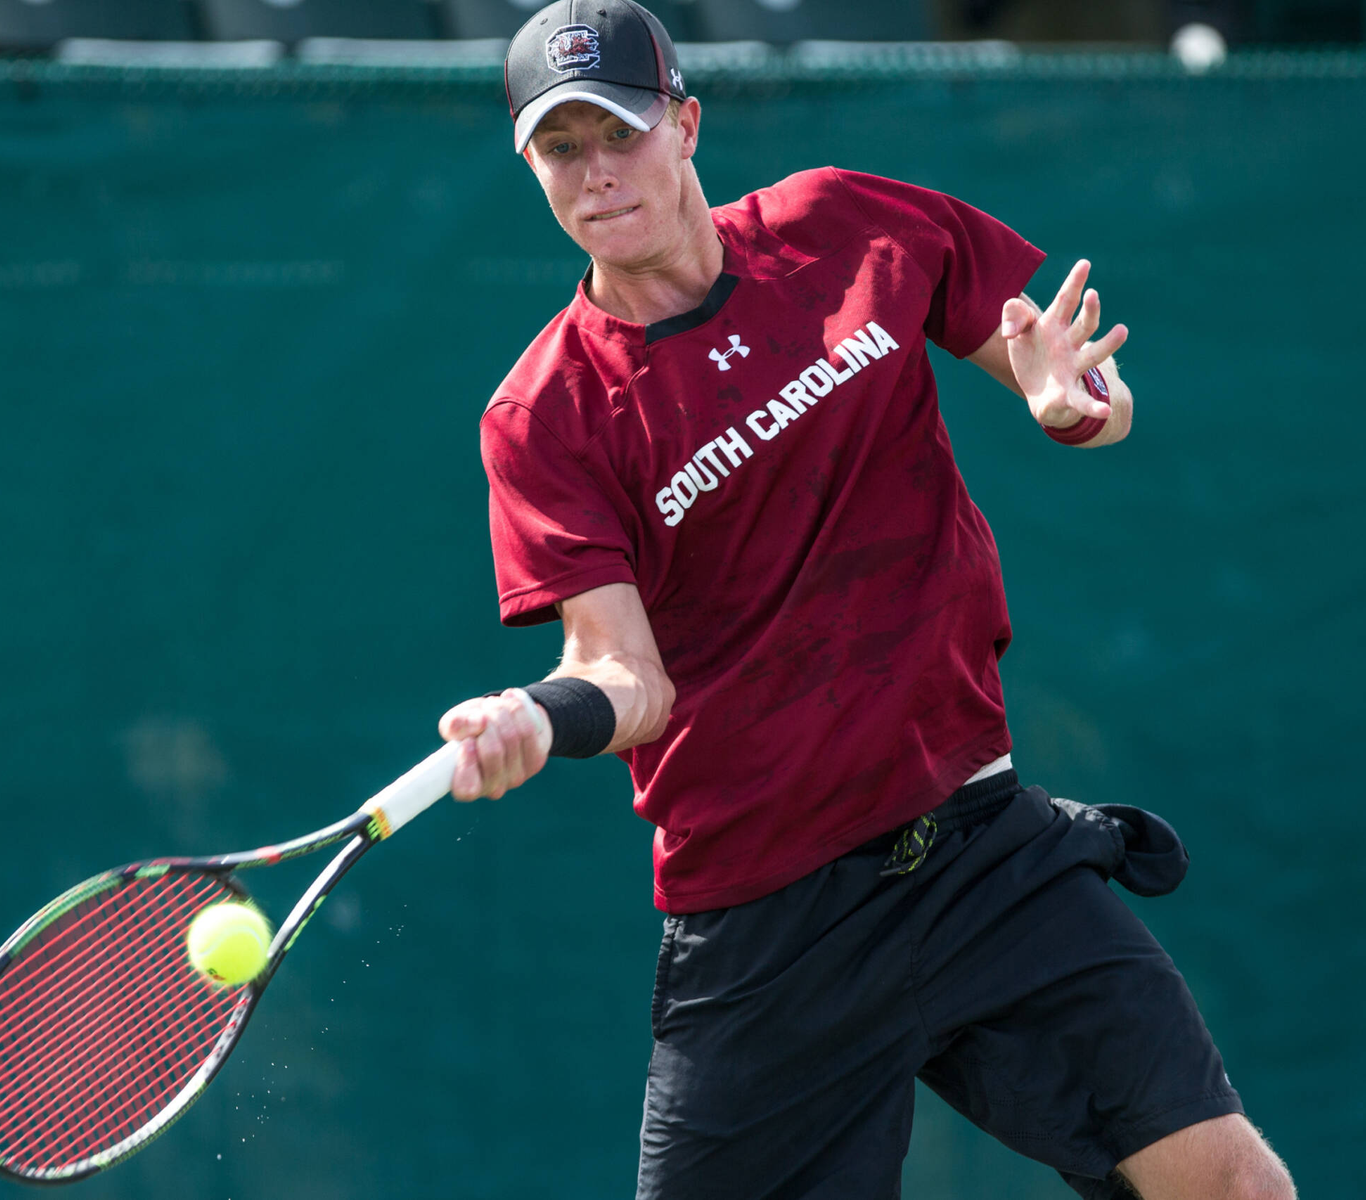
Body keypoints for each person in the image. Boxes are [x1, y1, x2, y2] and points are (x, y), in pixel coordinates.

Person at [435, 3, 1296, 1197]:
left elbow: (1089, 392)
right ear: (531, 167)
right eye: (560, 148)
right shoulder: (544, 415)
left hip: (978, 849)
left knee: (1231, 1184)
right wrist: (540, 714)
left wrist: (1075, 405)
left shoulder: (847, 227)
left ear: (685, 125)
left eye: (619, 134)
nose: (596, 173)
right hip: (769, 927)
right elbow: (624, 675)